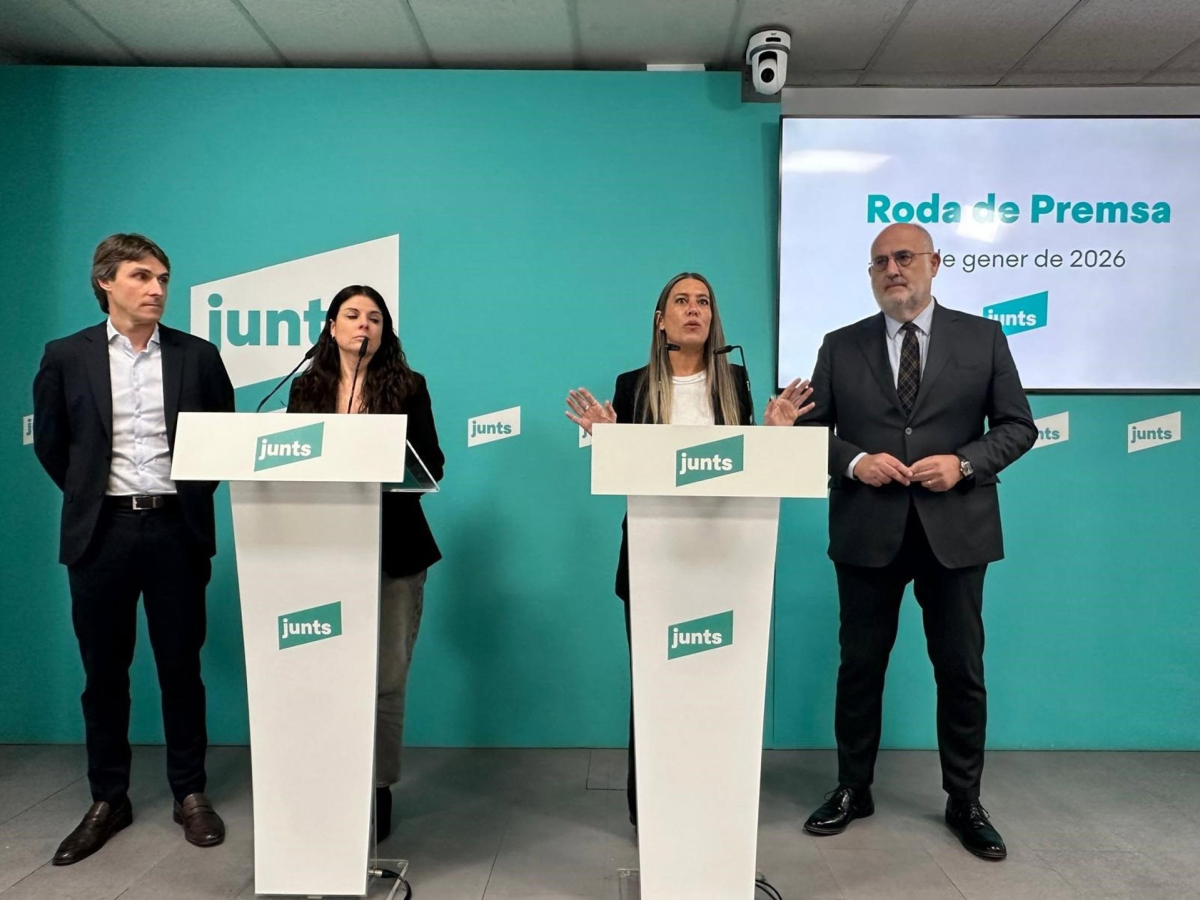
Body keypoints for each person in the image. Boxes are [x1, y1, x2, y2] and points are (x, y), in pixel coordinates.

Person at [795, 223, 1036, 860]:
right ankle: (854, 789)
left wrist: (964, 463)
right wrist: (854, 462)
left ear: (935, 263)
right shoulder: (839, 345)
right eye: (879, 262)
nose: (892, 270)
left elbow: (1018, 426)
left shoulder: (983, 337)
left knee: (960, 671)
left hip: (956, 530)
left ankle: (965, 800)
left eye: (903, 257)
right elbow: (809, 432)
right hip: (867, 529)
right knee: (859, 668)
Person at [565, 271, 814, 829]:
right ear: (661, 320)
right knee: (655, 689)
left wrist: (773, 435)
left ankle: (713, 808)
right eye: (681, 301)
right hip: (653, 560)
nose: (694, 309)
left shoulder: (735, 381)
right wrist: (609, 438)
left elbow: (745, 468)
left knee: (716, 689)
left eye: (703, 301)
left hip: (725, 560)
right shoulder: (632, 385)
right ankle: (652, 812)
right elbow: (623, 471)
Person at [32, 233, 236, 865]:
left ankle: (190, 793)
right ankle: (108, 799)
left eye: (163, 278)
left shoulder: (198, 356)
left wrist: (184, 499)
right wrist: (92, 496)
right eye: (142, 276)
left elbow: (222, 440)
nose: (156, 289)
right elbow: (53, 445)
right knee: (103, 674)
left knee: (181, 668)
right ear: (106, 282)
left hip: (177, 530)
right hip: (101, 533)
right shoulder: (66, 356)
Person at [286, 284, 444, 843]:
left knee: (385, 678)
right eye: (352, 316)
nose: (363, 325)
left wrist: (381, 458)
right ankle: (329, 781)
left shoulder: (409, 386)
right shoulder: (305, 388)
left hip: (394, 548)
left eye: (374, 318)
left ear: (384, 332)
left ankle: (377, 788)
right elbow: (290, 466)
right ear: (331, 327)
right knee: (327, 672)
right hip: (324, 549)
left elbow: (432, 465)